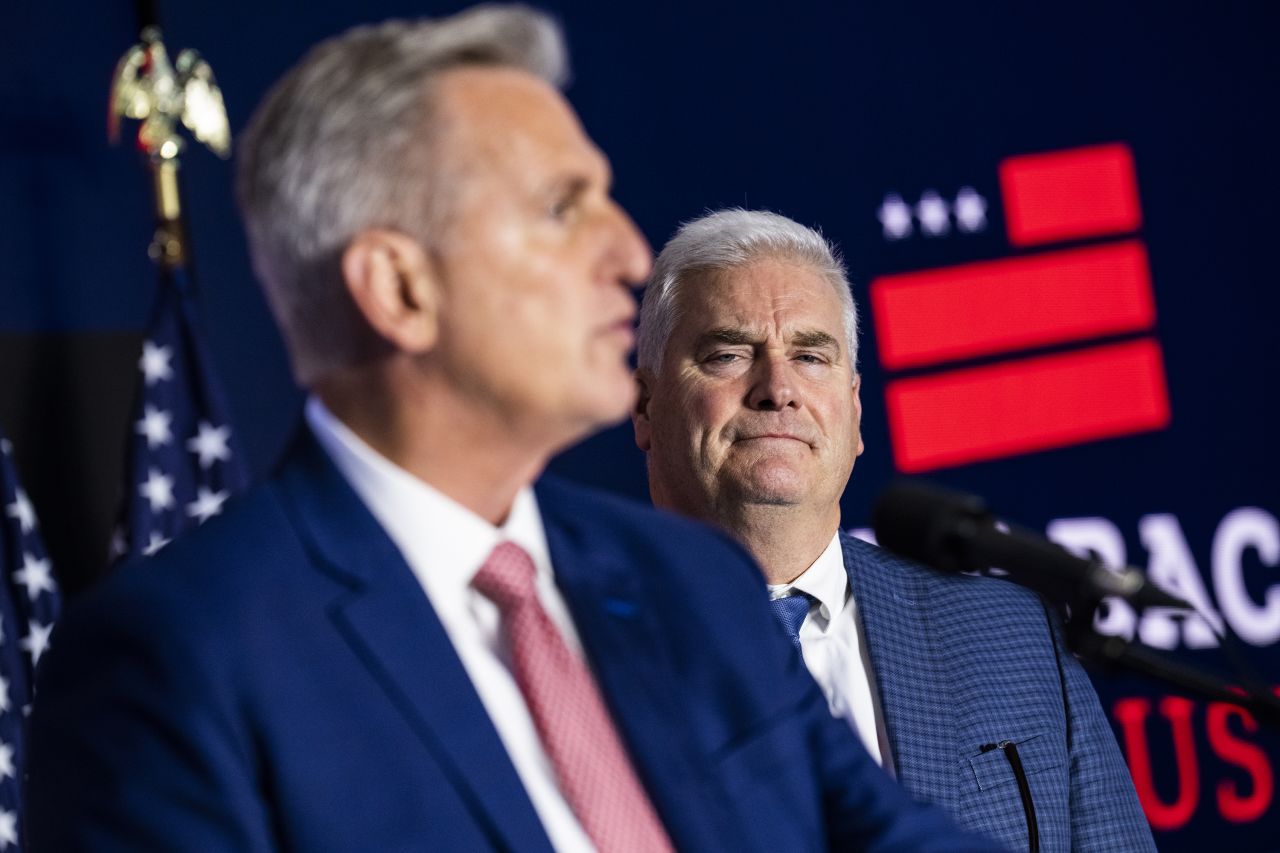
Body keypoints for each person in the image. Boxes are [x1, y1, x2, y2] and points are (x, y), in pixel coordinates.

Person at [26, 9, 1001, 852]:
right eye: (560, 208)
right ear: (400, 289)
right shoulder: (177, 658)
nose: (625, 251)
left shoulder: (687, 583)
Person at [632, 208, 1158, 852]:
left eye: (810, 356)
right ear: (645, 406)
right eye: (728, 354)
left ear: (854, 413)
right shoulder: (572, 647)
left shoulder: (1012, 640)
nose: (778, 389)